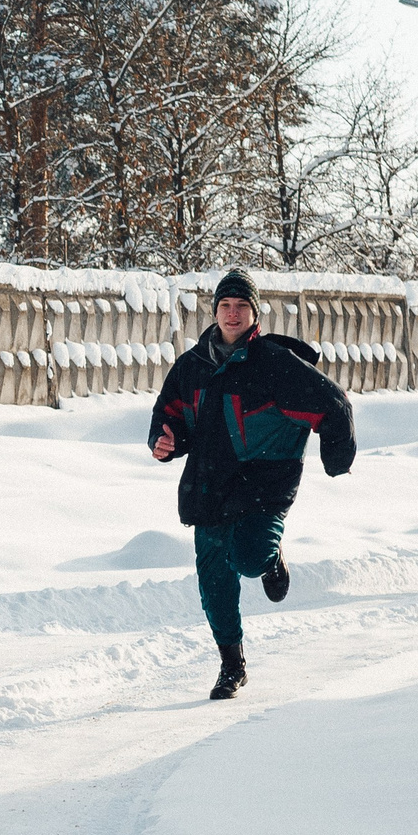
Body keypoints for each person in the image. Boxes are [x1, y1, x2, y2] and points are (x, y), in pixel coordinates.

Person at [150, 270, 356, 700]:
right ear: (215, 311)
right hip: (208, 487)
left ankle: (270, 560)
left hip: (263, 486)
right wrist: (163, 440)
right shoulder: (192, 366)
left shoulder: (274, 363)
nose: (232, 313)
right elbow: (168, 414)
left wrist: (337, 458)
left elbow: (333, 402)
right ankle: (232, 666)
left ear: (254, 313)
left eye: (241, 306)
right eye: (225, 305)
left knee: (248, 556)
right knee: (214, 585)